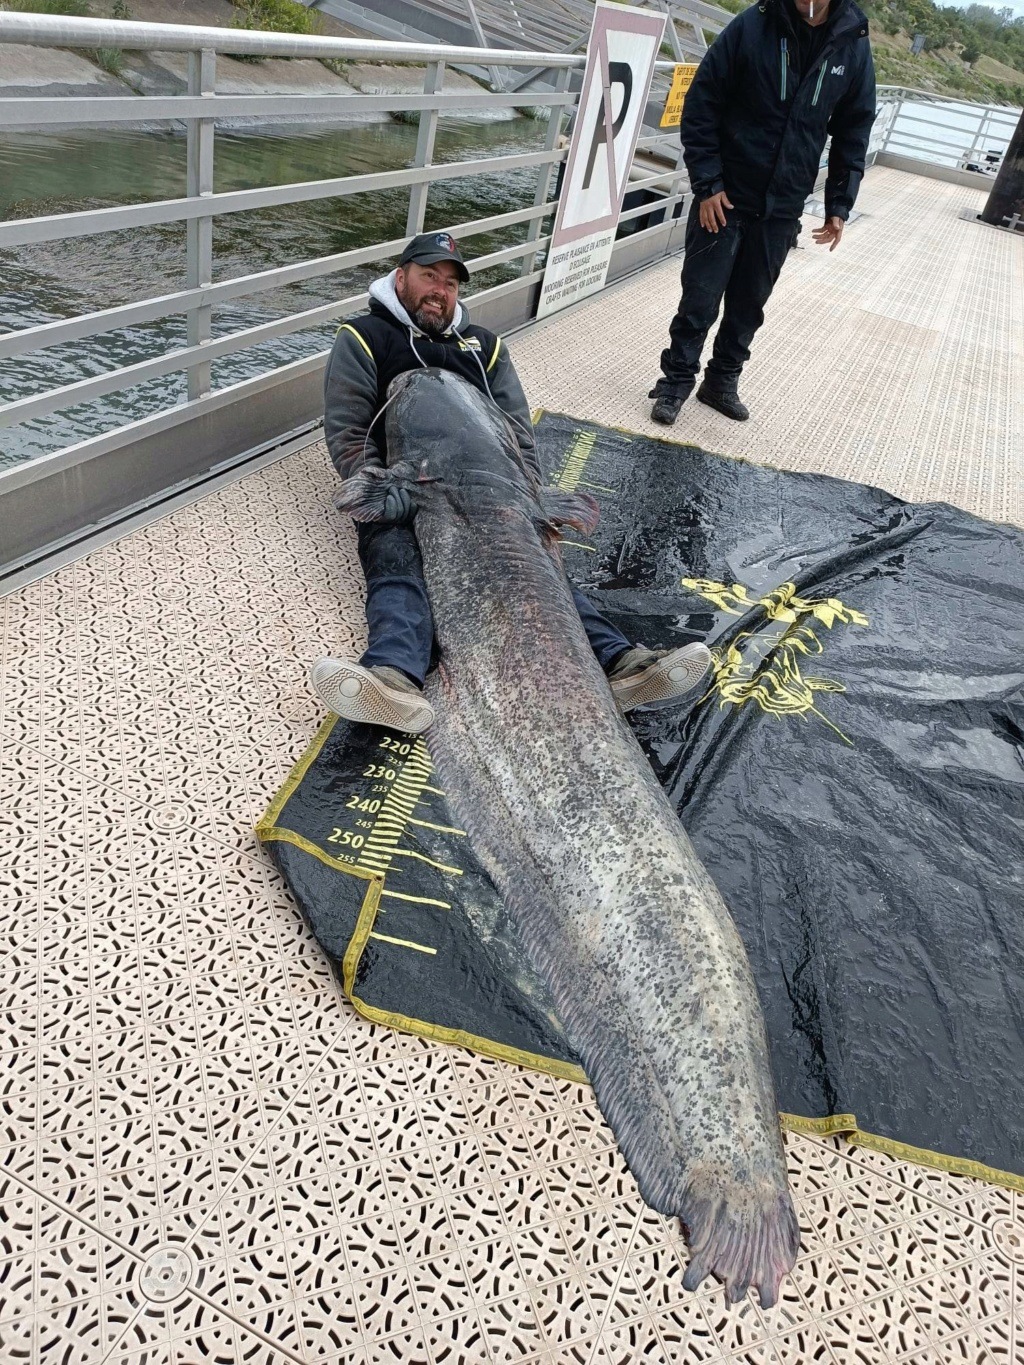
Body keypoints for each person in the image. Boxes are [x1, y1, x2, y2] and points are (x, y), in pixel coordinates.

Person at [313, 231, 712, 733]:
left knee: (539, 566)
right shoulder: (363, 337)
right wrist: (377, 487)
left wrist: (528, 497)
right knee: (396, 559)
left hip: (495, 487)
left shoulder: (485, 345)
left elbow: (517, 430)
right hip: (408, 486)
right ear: (401, 277)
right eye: (429, 276)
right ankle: (393, 677)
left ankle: (621, 663)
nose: (440, 290)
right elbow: (348, 430)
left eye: (451, 283)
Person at [649, 0, 876, 426]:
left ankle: (720, 382)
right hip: (726, 196)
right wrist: (708, 183)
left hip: (783, 204)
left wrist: (839, 204)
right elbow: (703, 103)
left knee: (749, 303)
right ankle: (675, 383)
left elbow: (854, 128)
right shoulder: (752, 26)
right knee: (700, 298)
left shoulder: (852, 43)